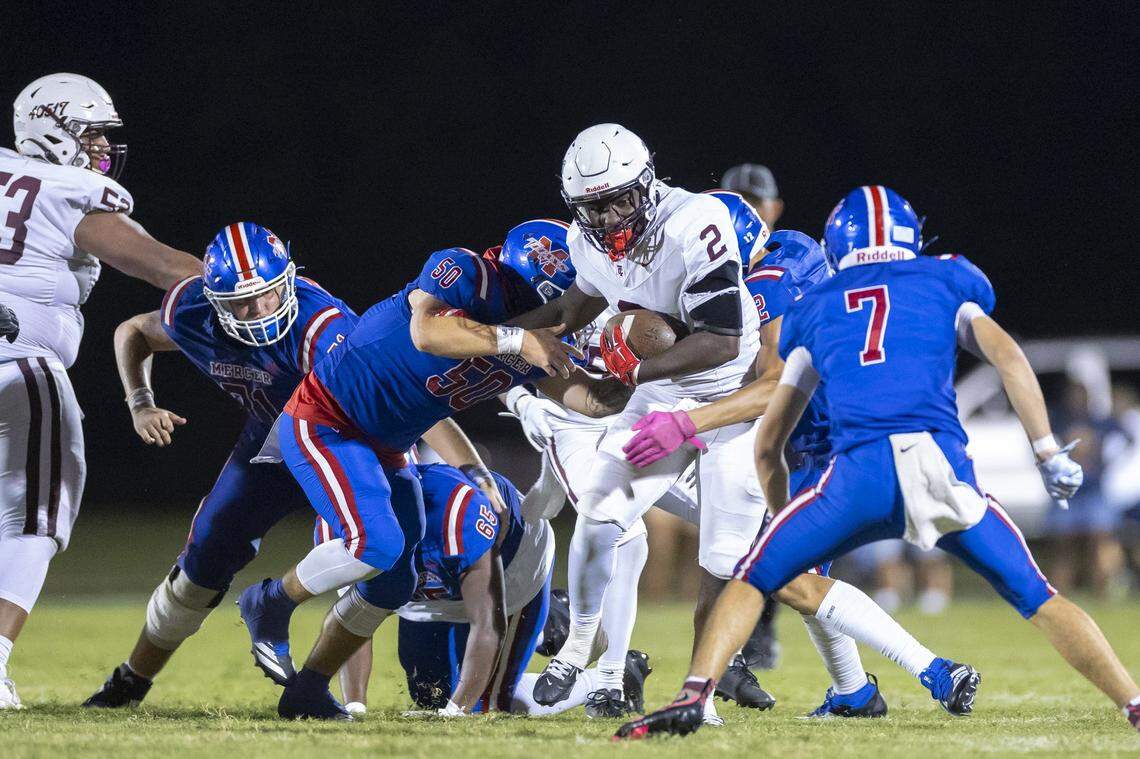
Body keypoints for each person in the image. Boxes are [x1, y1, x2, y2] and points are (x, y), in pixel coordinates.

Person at [616, 186, 1140, 739]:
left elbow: (770, 442)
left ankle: (695, 696)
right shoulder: (945, 278)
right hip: (940, 470)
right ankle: (1133, 703)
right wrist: (1045, 449)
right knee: (1038, 598)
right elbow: (1008, 356)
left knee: (751, 576)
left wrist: (790, 521)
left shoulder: (818, 307)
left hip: (856, 477)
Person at [236, 222, 629, 720]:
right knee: (376, 545)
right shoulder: (467, 273)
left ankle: (308, 688)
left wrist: (641, 375)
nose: (569, 318)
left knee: (391, 583)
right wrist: (517, 339)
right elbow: (426, 331)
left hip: (385, 443)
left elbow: (590, 401)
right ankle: (269, 601)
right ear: (532, 288)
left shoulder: (530, 343)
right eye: (563, 303)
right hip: (326, 419)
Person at [501, 214, 774, 718]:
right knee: (611, 524)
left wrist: (639, 376)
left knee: (739, 552)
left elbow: (737, 361)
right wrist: (522, 397)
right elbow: (508, 357)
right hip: (602, 420)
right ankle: (595, 661)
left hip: (690, 414)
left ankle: (709, 680)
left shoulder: (738, 285)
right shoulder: (595, 283)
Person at [0, 73, 201, 709]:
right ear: (51, 129)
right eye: (89, 134)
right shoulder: (67, 191)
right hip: (18, 365)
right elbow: (161, 266)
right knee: (38, 508)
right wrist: (255, 280)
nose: (100, 150)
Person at [322, 462, 653, 717]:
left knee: (489, 702)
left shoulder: (455, 516)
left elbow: (488, 622)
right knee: (431, 694)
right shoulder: (338, 527)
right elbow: (354, 625)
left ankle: (610, 677)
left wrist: (458, 711)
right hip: (437, 580)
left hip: (509, 568)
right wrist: (354, 707)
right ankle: (551, 623)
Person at [720, 163, 784, 229]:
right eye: (734, 203)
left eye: (754, 202)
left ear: (776, 209)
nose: (743, 210)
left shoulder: (792, 238)